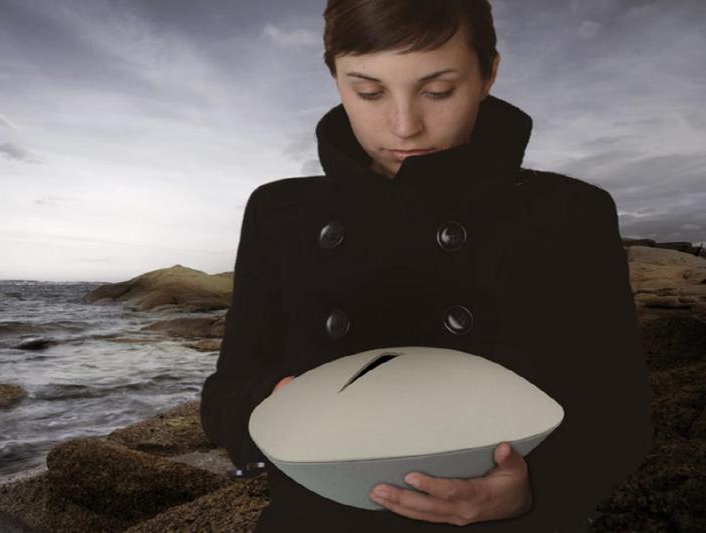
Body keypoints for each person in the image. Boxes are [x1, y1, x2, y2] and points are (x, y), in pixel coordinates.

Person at [200, 1, 654, 531]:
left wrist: (533, 490)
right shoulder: (279, 212)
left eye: (438, 91)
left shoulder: (569, 212)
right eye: (368, 92)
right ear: (335, 78)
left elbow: (619, 417)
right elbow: (224, 396)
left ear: (488, 74)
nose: (404, 126)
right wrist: (271, 406)